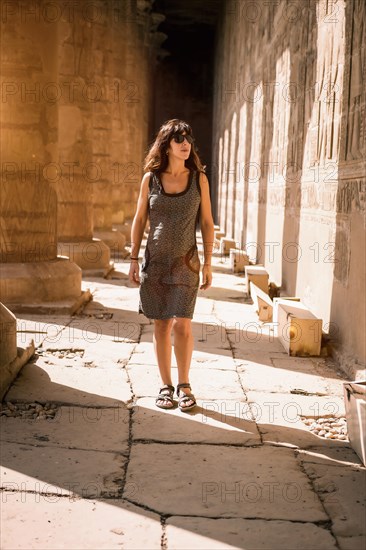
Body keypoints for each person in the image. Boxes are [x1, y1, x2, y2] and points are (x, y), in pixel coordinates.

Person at [129, 119, 214, 412]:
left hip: (187, 262)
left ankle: (185, 383)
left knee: (184, 324)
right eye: (178, 139)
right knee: (162, 324)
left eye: (188, 138)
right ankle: (165, 385)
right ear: (166, 146)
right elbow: (140, 220)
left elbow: (206, 222)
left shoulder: (198, 178)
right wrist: (132, 259)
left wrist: (209, 263)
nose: (185, 143)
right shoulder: (150, 179)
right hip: (155, 262)